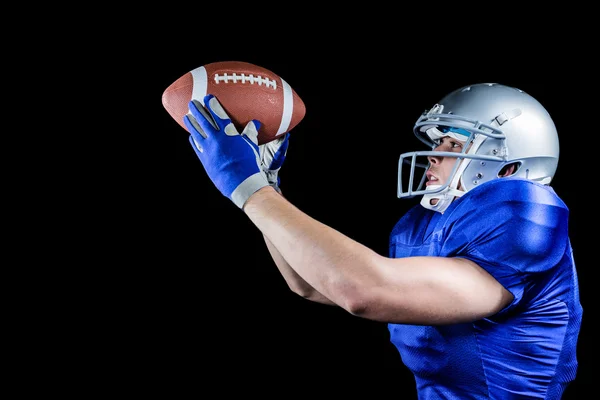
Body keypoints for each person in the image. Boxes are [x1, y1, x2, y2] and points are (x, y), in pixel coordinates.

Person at [181, 82, 583, 399]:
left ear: (510, 165)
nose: (433, 155)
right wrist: (268, 189)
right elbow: (309, 283)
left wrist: (251, 191)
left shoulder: (525, 210)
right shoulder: (424, 226)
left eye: (454, 144)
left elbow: (364, 291)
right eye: (437, 142)